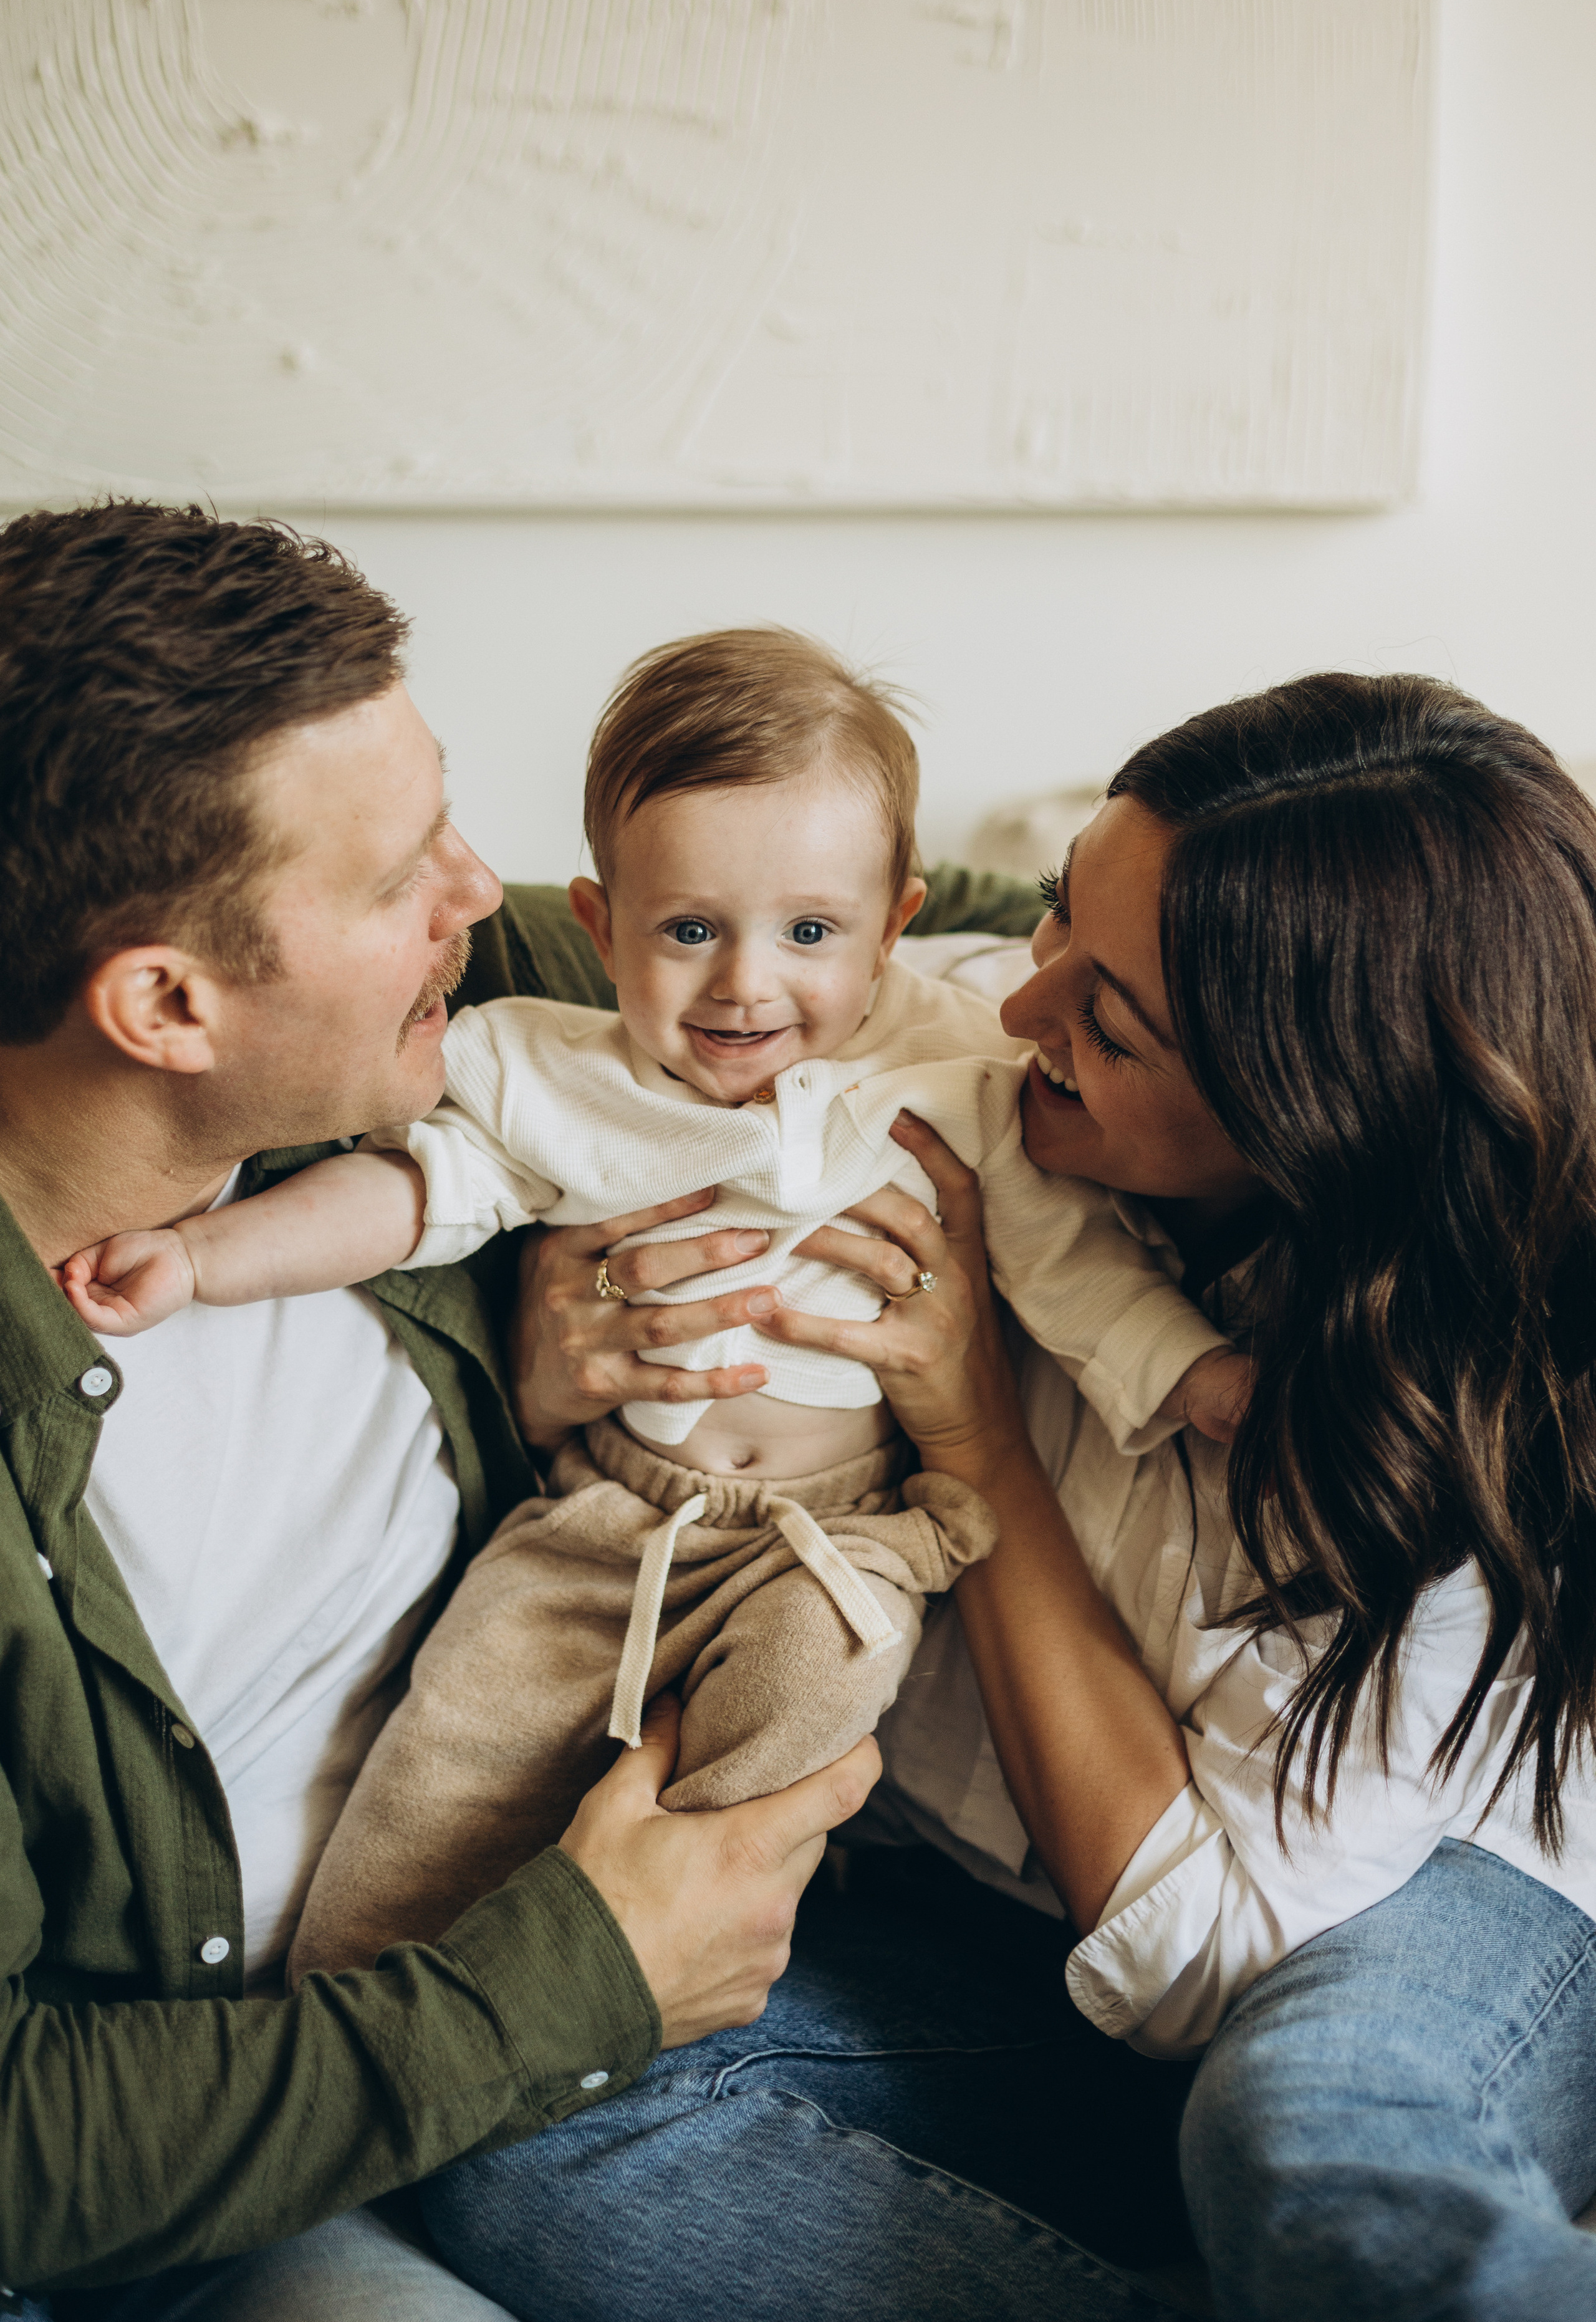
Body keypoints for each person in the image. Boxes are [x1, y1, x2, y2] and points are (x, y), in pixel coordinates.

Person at [418, 674, 1596, 2321]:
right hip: (990, 1942)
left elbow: (1208, 1961)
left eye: (1109, 1020)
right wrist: (533, 1353)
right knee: (517, 2105)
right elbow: (631, 935)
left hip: (1411, 1919)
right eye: (1053, 919)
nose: (1019, 1006)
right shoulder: (959, 1031)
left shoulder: (1436, 1433)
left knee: (1306, 2137)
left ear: (1306, 1110)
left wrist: (976, 1440)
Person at [0, 503, 907, 2319]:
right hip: (229, 2171)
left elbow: (848, 940)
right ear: (168, 1002)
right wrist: (586, 1976)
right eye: (403, 869)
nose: (477, 896)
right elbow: (25, 2147)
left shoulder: (399, 1044)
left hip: (644, 1886)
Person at [59, 629, 1243, 1986]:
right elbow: (411, 1193)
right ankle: (362, 1993)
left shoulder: (956, 1067)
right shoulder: (550, 1069)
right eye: (688, 932)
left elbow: (1071, 1265)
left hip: (832, 1530)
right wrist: (205, 1261)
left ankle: (694, 1948)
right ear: (597, 924)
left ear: (895, 925)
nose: (746, 984)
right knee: (454, 1751)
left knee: (815, 1676)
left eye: (810, 933)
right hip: (600, 1522)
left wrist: (1200, 1379)